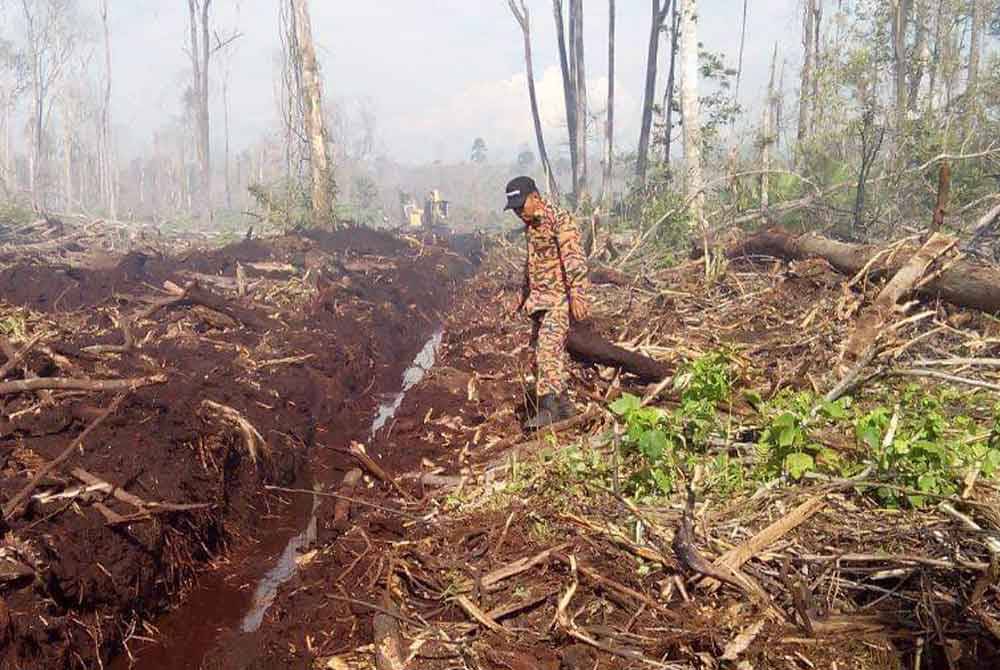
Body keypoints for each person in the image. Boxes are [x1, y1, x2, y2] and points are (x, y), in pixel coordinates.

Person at [503, 176, 591, 429]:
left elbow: (573, 258)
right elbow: (531, 267)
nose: (519, 212)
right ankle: (565, 407)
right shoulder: (531, 227)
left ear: (536, 197)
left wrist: (577, 295)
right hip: (540, 302)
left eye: (522, 206)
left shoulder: (559, 220)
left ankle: (550, 408)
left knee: (548, 352)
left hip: (559, 301)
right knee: (536, 356)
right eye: (515, 209)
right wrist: (521, 297)